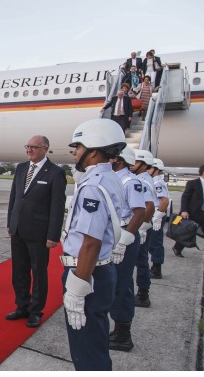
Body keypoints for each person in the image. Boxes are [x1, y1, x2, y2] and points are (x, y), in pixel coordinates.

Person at [62, 118, 126, 371]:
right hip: (99, 269)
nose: (75, 152)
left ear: (94, 150)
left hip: (86, 271)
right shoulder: (110, 179)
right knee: (95, 340)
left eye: (78, 146)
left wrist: (77, 289)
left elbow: (91, 242)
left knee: (86, 347)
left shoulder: (93, 187)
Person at [6, 135, 66, 328]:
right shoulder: (22, 168)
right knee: (19, 272)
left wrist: (53, 235)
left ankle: (36, 311)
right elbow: (14, 198)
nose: (29, 150)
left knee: (38, 274)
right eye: (27, 147)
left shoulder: (55, 173)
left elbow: (57, 206)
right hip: (18, 230)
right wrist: (10, 222)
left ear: (45, 149)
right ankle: (22, 306)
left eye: (34, 147)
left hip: (39, 233)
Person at [108, 146, 146, 352]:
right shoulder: (115, 179)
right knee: (115, 283)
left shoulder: (131, 182)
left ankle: (124, 335)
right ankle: (118, 328)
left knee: (122, 284)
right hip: (116, 232)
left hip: (125, 234)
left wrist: (124, 240)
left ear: (120, 161)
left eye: (113, 158)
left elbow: (139, 213)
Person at [130, 149, 156, 308]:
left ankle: (143, 294)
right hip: (141, 226)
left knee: (140, 260)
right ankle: (143, 291)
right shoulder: (141, 179)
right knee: (141, 260)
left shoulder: (143, 182)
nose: (133, 164)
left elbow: (149, 206)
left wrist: (142, 227)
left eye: (137, 162)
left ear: (144, 164)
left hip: (140, 227)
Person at [173, 165, 204, 257]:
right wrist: (184, 210)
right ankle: (177, 248)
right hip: (193, 212)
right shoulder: (193, 183)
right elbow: (185, 197)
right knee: (188, 232)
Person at [147, 158, 169, 278]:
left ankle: (156, 269)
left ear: (156, 170)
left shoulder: (157, 182)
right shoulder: (154, 181)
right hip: (154, 213)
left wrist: (158, 216)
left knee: (155, 242)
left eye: (150, 168)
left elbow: (164, 201)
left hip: (156, 214)